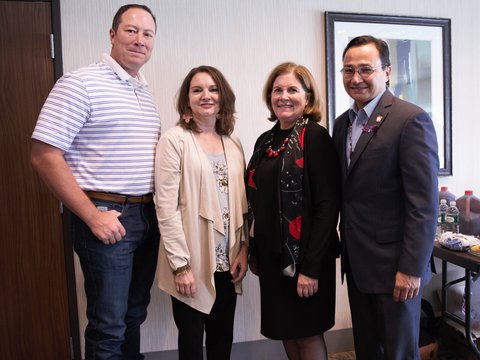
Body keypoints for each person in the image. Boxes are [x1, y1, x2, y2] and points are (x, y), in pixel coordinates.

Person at [30, 4, 160, 359]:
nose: (140, 40)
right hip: (106, 215)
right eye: (131, 30)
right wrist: (92, 216)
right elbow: (44, 154)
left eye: (148, 34)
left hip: (146, 218)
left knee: (134, 316)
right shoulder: (80, 82)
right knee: (108, 327)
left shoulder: (142, 91)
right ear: (112, 34)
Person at [332, 35, 439, 360]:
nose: (355, 78)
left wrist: (411, 269)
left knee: (399, 354)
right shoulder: (343, 124)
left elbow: (423, 205)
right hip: (359, 262)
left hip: (397, 268)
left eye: (366, 69)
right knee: (368, 351)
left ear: (387, 71)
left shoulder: (410, 119)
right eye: (348, 70)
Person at [246, 62, 340, 360]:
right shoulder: (266, 141)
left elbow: (328, 206)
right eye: (277, 90)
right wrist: (254, 252)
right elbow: (256, 199)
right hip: (273, 259)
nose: (283, 96)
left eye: (292, 90)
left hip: (307, 259)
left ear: (308, 97)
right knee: (286, 331)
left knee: (308, 332)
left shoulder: (315, 137)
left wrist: (310, 269)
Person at [154, 65, 249, 360]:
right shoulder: (174, 140)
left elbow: (243, 204)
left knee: (222, 340)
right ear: (187, 100)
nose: (206, 95)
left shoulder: (233, 143)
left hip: (228, 261)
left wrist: (244, 248)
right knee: (192, 342)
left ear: (223, 98)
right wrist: (180, 266)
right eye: (197, 90)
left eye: (213, 89)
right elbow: (166, 207)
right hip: (191, 259)